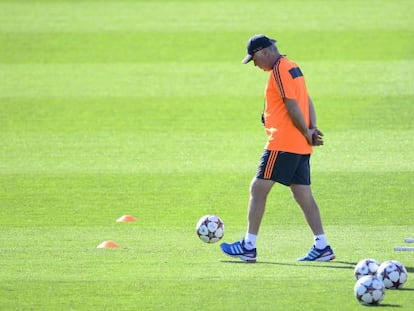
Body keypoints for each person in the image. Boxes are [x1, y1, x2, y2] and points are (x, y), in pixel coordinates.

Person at [220, 34, 335, 263]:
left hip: (283, 143)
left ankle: (248, 246)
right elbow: (307, 99)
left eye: (254, 59)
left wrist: (306, 131)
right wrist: (311, 130)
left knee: (258, 188)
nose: (255, 64)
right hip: (298, 144)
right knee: (303, 194)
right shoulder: (293, 66)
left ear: (264, 52)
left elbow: (292, 103)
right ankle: (322, 245)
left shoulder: (280, 69)